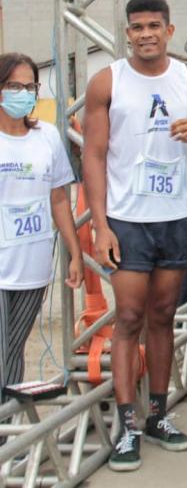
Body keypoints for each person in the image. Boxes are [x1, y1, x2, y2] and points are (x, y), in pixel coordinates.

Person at [82, 0, 187, 471]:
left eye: (154, 26)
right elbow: (93, 155)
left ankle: (158, 415)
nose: (145, 34)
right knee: (129, 317)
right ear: (127, 33)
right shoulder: (108, 81)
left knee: (163, 315)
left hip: (175, 216)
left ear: (169, 30)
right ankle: (127, 426)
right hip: (126, 219)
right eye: (137, 27)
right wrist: (100, 225)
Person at [0, 53, 83, 401]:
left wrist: (75, 253)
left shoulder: (47, 136)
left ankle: (8, 427)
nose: (23, 93)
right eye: (13, 86)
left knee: (13, 350)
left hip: (32, 266)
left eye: (30, 86)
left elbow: (59, 199)